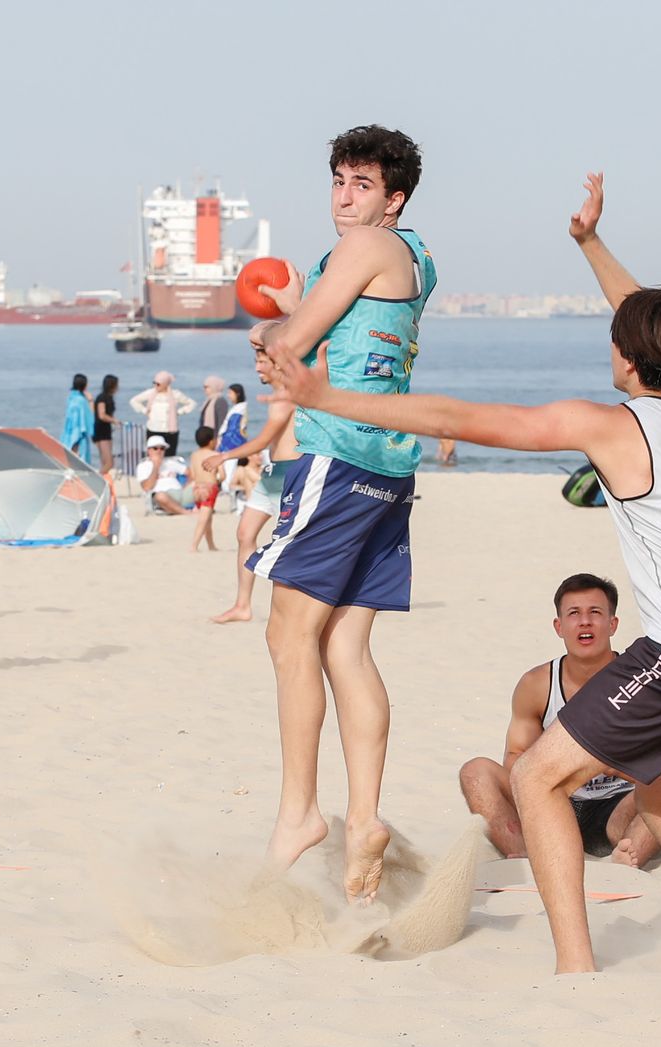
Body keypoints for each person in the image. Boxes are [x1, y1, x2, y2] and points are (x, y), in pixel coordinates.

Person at [267, 171, 661, 975]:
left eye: (618, 337)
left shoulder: (610, 426)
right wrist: (590, 243)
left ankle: (575, 966)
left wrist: (329, 397)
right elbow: (648, 317)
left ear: (631, 357)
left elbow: (463, 419)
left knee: (537, 775)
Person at [245, 125, 436, 904]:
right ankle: (362, 817)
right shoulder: (415, 257)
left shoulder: (362, 246)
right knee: (346, 646)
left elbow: (293, 346)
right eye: (339, 181)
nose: (346, 197)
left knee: (287, 633)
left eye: (363, 184)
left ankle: (299, 812)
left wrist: (271, 330)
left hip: (338, 457)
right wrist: (295, 315)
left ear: (394, 199)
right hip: (389, 465)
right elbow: (350, 337)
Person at [459, 574, 659, 867]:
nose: (585, 622)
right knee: (476, 772)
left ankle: (626, 858)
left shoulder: (642, 682)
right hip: (554, 802)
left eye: (595, 612)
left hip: (620, 805)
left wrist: (603, 764)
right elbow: (515, 757)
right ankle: (525, 856)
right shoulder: (537, 684)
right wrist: (560, 772)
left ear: (613, 624)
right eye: (574, 614)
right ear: (559, 626)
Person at [204, 349, 298, 624]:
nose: (257, 367)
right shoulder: (277, 395)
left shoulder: (287, 396)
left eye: (262, 362)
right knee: (245, 533)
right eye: (256, 361)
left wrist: (223, 456)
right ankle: (242, 606)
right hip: (271, 473)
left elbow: (263, 440)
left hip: (291, 474)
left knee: (291, 545)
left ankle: (296, 609)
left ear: (278, 364)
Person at [187, 427, 224, 552]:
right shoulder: (215, 455)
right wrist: (217, 480)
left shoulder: (194, 455)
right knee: (203, 519)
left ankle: (211, 545)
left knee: (207, 519)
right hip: (209, 488)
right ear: (211, 441)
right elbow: (222, 475)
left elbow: (192, 475)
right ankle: (194, 546)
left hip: (197, 488)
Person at [136, 434, 190, 515]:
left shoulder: (170, 462)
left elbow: (191, 473)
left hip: (179, 493)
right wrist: (156, 466)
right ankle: (185, 512)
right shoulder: (143, 466)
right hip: (161, 496)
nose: (159, 451)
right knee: (160, 496)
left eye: (162, 448)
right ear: (148, 450)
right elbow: (147, 487)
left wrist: (187, 486)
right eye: (155, 448)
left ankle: (175, 509)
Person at [61, 374, 94, 465]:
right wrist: (91, 400)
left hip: (69, 433)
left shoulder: (71, 398)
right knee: (78, 460)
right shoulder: (81, 400)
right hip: (79, 434)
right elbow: (89, 416)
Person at [92, 375, 120, 475]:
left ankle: (104, 479)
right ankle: (98, 479)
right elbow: (102, 415)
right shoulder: (102, 398)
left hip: (106, 430)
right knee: (109, 463)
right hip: (101, 431)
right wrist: (114, 421)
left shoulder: (110, 398)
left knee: (105, 461)